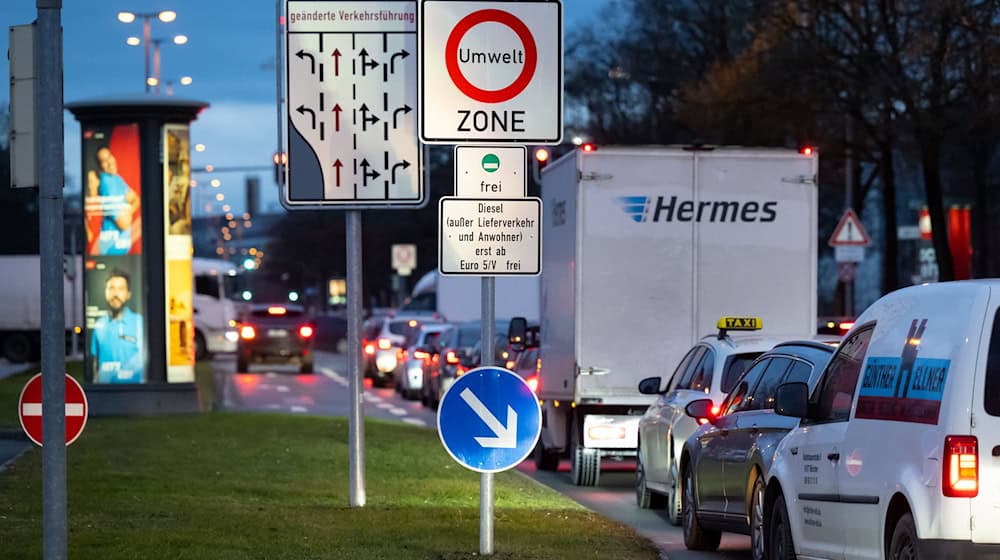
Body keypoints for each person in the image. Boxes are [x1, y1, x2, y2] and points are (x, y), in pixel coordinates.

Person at [90, 269, 145, 383]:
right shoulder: (99, 325)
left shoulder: (140, 323)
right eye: (111, 288)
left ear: (128, 294)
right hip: (105, 394)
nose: (115, 294)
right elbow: (95, 364)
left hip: (135, 393)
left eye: (120, 289)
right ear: (105, 292)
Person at [90, 146, 141, 255]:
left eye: (109, 157)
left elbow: (136, 199)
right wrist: (129, 208)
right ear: (100, 167)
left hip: (121, 249)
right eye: (104, 161)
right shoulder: (107, 184)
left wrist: (128, 211)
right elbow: (124, 224)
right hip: (111, 250)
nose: (109, 162)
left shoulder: (117, 178)